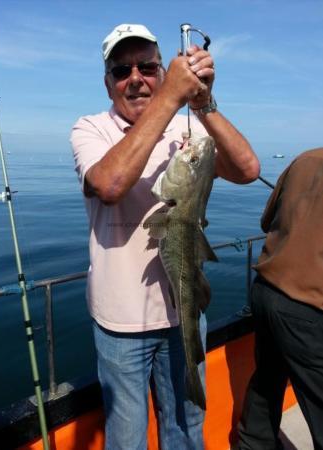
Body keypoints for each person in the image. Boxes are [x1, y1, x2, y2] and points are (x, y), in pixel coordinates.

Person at [71, 23, 260, 450]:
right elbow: (110, 184)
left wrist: (202, 101)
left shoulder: (187, 131)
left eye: (147, 67)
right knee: (126, 438)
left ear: (161, 69)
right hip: (120, 324)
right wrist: (171, 96)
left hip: (185, 315)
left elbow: (248, 170)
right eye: (122, 70)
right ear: (108, 84)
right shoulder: (90, 129)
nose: (135, 79)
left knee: (187, 429)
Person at [237, 148, 323, 450]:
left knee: (267, 382)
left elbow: (266, 222)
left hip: (266, 291)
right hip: (311, 306)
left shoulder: (305, 159)